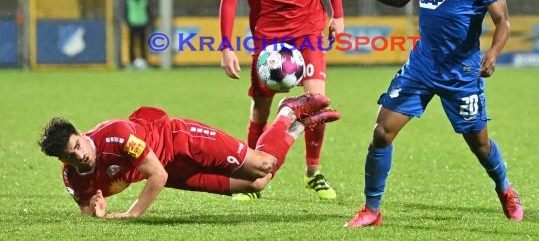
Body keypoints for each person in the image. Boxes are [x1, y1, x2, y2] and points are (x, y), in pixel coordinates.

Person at [344, 0, 523, 228]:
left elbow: (504, 21)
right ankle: (372, 210)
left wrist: (493, 53)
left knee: (480, 145)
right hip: (422, 67)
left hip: (462, 73)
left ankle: (505, 189)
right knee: (382, 132)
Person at [217, 0, 344, 200]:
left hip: (309, 30)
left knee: (316, 101)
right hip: (269, 38)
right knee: (260, 108)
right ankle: (248, 175)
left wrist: (337, 15)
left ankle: (313, 172)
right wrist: (226, 46)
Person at [38, 93, 340, 218]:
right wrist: (96, 208)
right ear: (64, 161)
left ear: (80, 135)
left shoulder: (117, 135)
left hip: (181, 141)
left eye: (78, 145)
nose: (81, 156)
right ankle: (299, 125)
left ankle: (288, 110)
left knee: (264, 164)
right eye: (73, 156)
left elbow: (157, 175)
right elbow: (87, 210)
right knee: (257, 184)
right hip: (172, 170)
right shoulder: (72, 176)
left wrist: (132, 214)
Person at [125, 0, 151, 68]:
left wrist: (147, 22)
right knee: (132, 44)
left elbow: (148, 11)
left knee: (142, 44)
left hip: (142, 24)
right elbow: (126, 12)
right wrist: (128, 22)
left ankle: (144, 61)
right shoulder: (129, 0)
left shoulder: (144, 0)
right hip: (132, 24)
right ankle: (131, 62)